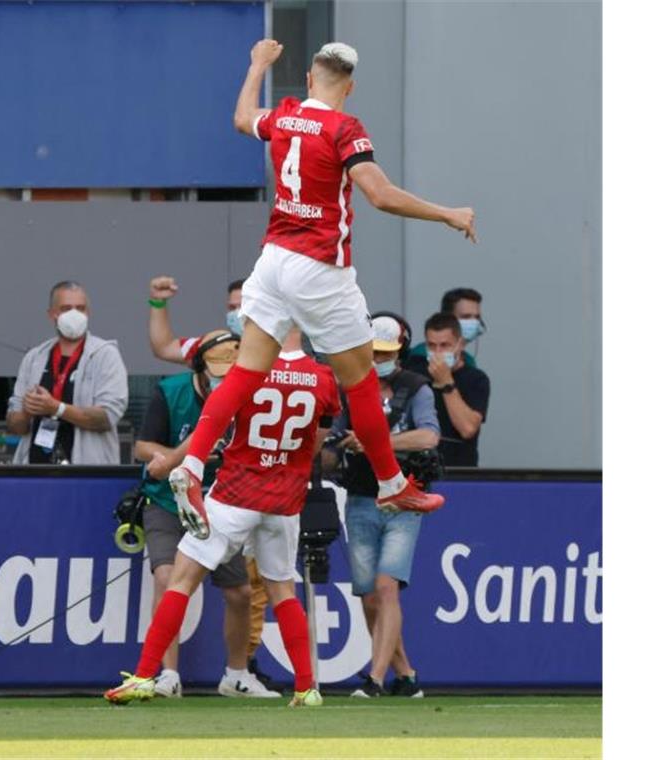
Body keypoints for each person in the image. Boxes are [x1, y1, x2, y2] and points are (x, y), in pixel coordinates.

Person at [168, 39, 477, 525]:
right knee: (358, 380)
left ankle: (189, 464)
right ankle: (392, 484)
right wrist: (446, 213)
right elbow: (380, 194)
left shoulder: (286, 115)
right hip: (318, 268)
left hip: (271, 263)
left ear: (310, 80)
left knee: (247, 372)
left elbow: (242, 118)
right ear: (349, 87)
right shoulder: (344, 127)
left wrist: (256, 66)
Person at [106, 328, 339, 708]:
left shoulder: (247, 367)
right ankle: (306, 686)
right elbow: (316, 441)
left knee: (180, 580)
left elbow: (213, 423)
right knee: (283, 591)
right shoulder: (323, 377)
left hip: (236, 491)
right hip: (285, 497)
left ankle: (147, 675)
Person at [146, 274, 278, 687]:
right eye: (234, 304)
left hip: (226, 501)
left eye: (246, 304)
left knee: (241, 593)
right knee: (170, 579)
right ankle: (165, 674)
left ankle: (237, 675)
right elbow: (163, 346)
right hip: (175, 500)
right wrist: (157, 304)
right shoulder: (183, 376)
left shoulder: (266, 358)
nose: (240, 312)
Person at [321, 316, 440, 698]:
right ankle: (405, 675)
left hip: (404, 497)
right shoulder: (350, 389)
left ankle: (373, 678)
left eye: (385, 353)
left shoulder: (417, 388)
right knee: (369, 594)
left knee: (387, 587)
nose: (378, 360)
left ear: (400, 350)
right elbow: (331, 443)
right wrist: (336, 443)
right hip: (359, 495)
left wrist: (376, 441)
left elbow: (428, 436)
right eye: (373, 353)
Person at [6, 281, 129, 464]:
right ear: (52, 314)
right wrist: (26, 411)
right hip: (34, 471)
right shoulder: (34, 358)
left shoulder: (106, 355)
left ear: (88, 313)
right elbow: (15, 425)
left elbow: (106, 417)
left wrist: (56, 408)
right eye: (66, 308)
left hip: (86, 474)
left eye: (80, 308)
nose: (74, 314)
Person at [406, 313, 490, 467]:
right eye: (431, 345)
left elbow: (468, 429)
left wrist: (446, 382)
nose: (438, 352)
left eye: (445, 345)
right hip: (417, 468)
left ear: (459, 344)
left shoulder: (477, 379)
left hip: (459, 470)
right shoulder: (414, 375)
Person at [409, 287, 485, 367]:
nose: (474, 322)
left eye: (477, 317)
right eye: (466, 317)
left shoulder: (468, 360)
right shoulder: (420, 356)